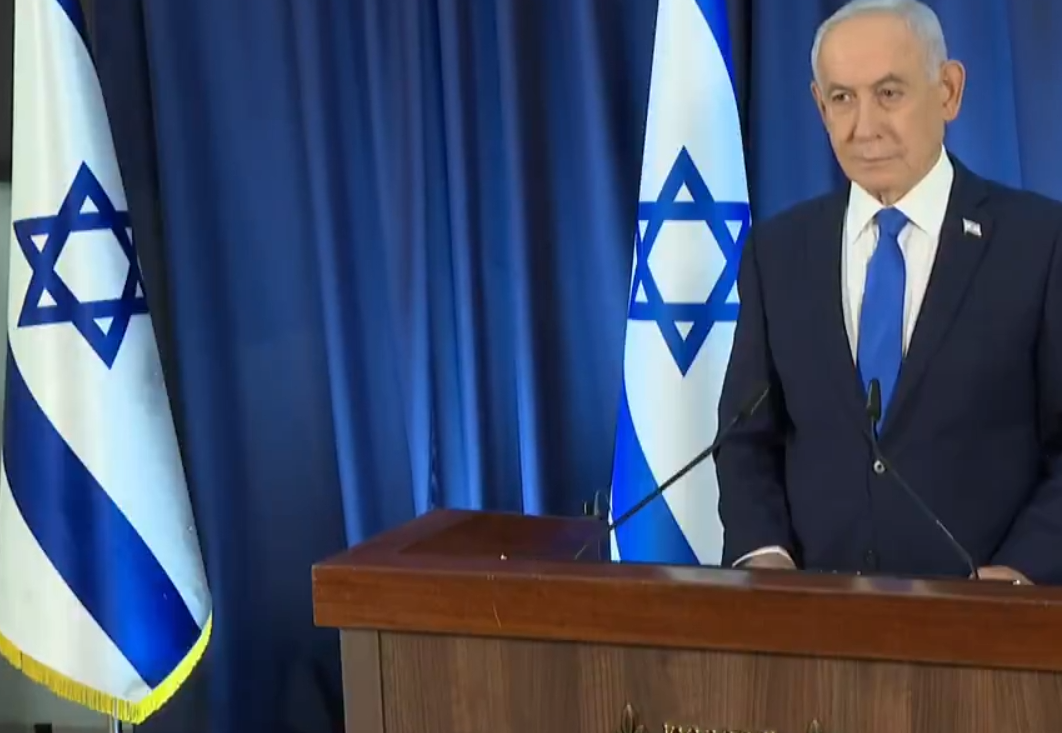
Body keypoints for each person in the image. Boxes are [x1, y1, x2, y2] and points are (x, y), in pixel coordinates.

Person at [715, 0, 1062, 586]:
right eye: (842, 98)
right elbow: (746, 439)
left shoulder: (1040, 242)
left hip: (986, 622)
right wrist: (764, 555)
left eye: (889, 93)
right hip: (811, 620)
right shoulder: (779, 252)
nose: (865, 126)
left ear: (948, 91)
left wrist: (1019, 572)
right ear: (819, 107)